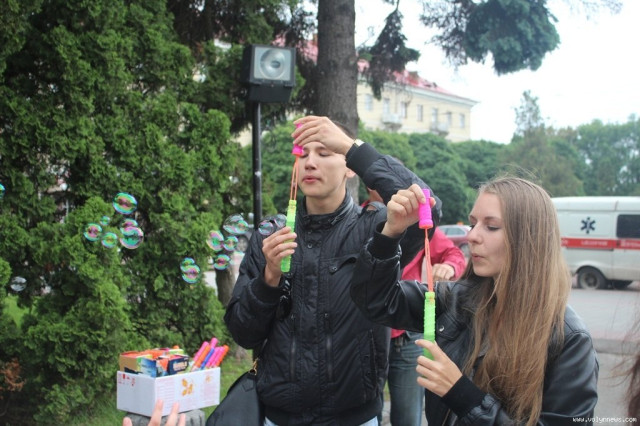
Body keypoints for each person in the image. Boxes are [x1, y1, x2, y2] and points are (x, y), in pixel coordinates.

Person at [224, 115, 439, 425]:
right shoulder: (271, 236)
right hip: (280, 418)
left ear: (349, 166)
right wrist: (269, 279)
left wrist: (355, 149)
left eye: (325, 152)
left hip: (355, 417)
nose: (310, 163)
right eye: (303, 154)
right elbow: (243, 333)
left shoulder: (376, 228)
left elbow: (428, 207)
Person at [351, 176, 599, 425]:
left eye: (491, 227)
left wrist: (461, 394)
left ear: (529, 238)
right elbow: (375, 299)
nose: (472, 236)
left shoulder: (570, 340)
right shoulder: (456, 300)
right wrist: (389, 234)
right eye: (473, 224)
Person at [364, 188, 466, 426]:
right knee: (367, 414)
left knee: (409, 417)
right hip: (365, 336)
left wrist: (449, 267)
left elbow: (453, 253)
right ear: (369, 186)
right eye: (381, 181)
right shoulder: (359, 218)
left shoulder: (413, 219)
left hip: (406, 337)